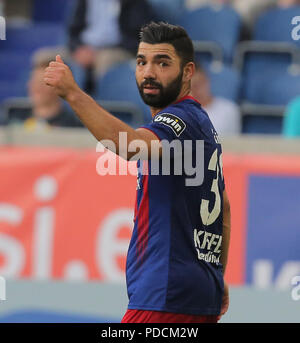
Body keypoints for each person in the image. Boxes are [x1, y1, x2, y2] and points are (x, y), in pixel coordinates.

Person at [44, 22, 231, 323]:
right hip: (195, 293)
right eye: (142, 62)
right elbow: (225, 206)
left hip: (165, 295)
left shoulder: (179, 120)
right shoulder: (202, 122)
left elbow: (129, 146)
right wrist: (216, 274)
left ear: (188, 72)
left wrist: (73, 94)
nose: (149, 72)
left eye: (163, 62)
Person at [68, 0, 156, 78]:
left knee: (105, 61)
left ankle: (95, 95)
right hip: (83, 47)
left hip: (118, 49)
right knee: (55, 58)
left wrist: (96, 53)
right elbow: (73, 31)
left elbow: (138, 36)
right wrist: (77, 48)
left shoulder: (135, 2)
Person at [8, 50, 83, 130]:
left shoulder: (73, 125)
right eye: (34, 81)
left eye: (43, 83)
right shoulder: (13, 119)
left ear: (60, 86)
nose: (36, 87)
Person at [191, 64, 241, 136]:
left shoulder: (229, 110)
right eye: (192, 86)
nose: (197, 90)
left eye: (200, 84)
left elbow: (235, 142)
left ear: (208, 81)